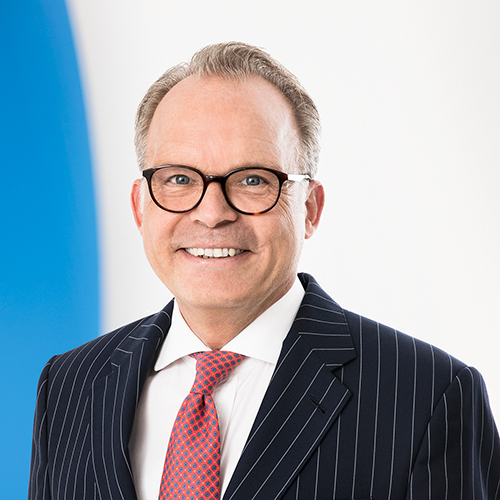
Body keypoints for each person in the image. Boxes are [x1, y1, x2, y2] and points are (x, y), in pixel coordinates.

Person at [28, 42, 500, 500]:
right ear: (139, 207)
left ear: (310, 208)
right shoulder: (68, 387)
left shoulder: (429, 397)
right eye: (179, 179)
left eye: (252, 180)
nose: (212, 213)